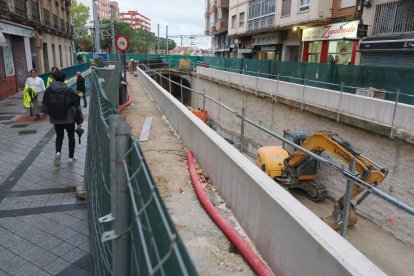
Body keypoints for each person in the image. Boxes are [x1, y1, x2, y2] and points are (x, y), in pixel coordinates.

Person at [42, 70, 82, 166]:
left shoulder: (49, 90)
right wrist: (79, 121)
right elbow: (76, 106)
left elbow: (45, 103)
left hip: (56, 118)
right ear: (65, 78)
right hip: (69, 118)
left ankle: (58, 153)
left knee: (59, 137)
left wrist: (49, 113)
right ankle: (70, 158)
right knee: (71, 137)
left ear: (54, 78)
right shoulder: (69, 90)